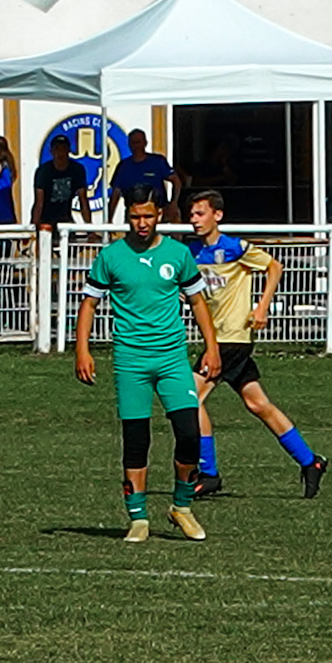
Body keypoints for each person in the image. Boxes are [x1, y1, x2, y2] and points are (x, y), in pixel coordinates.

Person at [74, 187, 222, 542]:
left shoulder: (177, 253)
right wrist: (82, 350)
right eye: (136, 216)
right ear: (128, 215)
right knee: (136, 440)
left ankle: (181, 507)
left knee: (189, 433)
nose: (142, 223)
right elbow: (89, 305)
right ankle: (138, 518)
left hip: (172, 359)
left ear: (160, 215)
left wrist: (211, 347)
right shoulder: (111, 257)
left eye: (149, 216)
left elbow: (198, 302)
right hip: (131, 361)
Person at [184, 190, 326, 498]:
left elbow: (275, 267)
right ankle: (310, 461)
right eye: (192, 214)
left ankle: (208, 473)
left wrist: (262, 306)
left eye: (200, 213)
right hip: (219, 336)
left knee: (190, 397)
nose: (194, 219)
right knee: (257, 404)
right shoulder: (193, 252)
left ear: (217, 216)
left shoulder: (235, 248)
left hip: (232, 338)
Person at [106, 129, 178, 221]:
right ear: (129, 144)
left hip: (158, 212)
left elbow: (176, 181)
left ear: (145, 143)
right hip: (133, 213)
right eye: (133, 143)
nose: (136, 146)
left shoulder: (157, 162)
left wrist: (173, 203)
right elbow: (115, 195)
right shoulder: (123, 166)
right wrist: (109, 219)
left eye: (138, 142)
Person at [32, 135, 92, 231]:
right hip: (46, 220)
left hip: (65, 219)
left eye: (63, 148)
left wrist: (89, 229)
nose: (60, 153)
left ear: (68, 151)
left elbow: (83, 200)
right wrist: (33, 229)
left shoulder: (77, 170)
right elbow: (39, 203)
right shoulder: (43, 171)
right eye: (57, 149)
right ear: (51, 152)